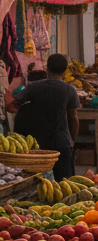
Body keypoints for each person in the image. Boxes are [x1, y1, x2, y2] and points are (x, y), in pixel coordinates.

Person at [11, 52, 78, 180]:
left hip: (37, 144)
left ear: (47, 68)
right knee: (65, 183)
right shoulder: (70, 90)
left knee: (36, 183)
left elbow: (15, 104)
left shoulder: (33, 87)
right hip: (61, 144)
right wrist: (71, 141)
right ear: (65, 70)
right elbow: (73, 119)